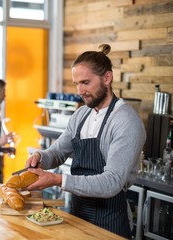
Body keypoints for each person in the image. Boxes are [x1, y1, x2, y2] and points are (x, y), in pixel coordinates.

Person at [24, 44, 146, 238]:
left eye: (85, 82)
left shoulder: (126, 121)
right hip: (78, 217)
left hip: (109, 224)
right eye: (76, 83)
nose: (80, 90)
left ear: (107, 78)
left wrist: (57, 180)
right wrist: (40, 157)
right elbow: (58, 152)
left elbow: (112, 182)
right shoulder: (81, 114)